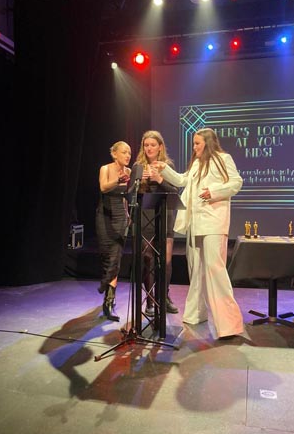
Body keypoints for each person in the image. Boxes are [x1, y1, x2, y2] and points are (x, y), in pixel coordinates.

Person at [153, 128, 244, 339]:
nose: (194, 147)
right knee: (195, 270)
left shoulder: (223, 158)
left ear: (208, 143)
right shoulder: (196, 163)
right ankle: (196, 314)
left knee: (215, 270)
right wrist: (164, 169)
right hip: (195, 223)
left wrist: (213, 192)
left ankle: (229, 324)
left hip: (213, 222)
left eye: (197, 143)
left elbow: (236, 182)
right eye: (193, 143)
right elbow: (183, 181)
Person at [135, 130, 179, 317]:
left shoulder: (166, 165)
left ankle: (164, 296)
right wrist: (139, 180)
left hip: (166, 215)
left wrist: (159, 179)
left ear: (160, 147)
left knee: (166, 260)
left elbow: (175, 191)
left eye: (153, 145)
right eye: (146, 145)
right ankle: (150, 300)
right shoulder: (138, 166)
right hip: (146, 216)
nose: (149, 148)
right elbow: (131, 192)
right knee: (148, 259)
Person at [95, 141, 131, 321]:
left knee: (116, 256)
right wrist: (118, 180)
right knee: (106, 254)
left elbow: (126, 198)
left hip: (120, 216)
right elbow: (103, 187)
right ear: (114, 154)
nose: (127, 156)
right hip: (104, 215)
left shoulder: (129, 172)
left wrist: (128, 214)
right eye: (124, 152)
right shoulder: (105, 169)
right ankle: (106, 286)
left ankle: (109, 299)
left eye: (129, 153)